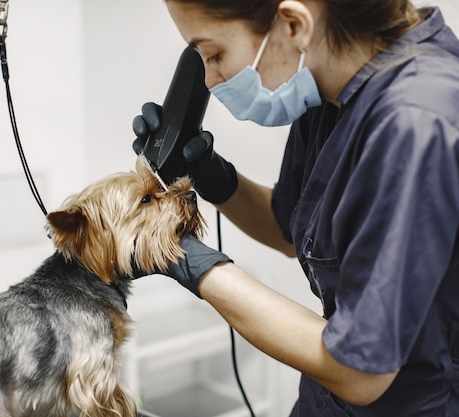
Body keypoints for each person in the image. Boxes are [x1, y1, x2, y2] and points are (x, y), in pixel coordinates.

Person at [132, 1, 459, 415]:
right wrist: (210, 176)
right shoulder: (331, 92)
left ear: (293, 24)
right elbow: (289, 227)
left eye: (215, 55)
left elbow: (362, 371)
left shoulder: (417, 122)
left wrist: (191, 262)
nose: (210, 81)